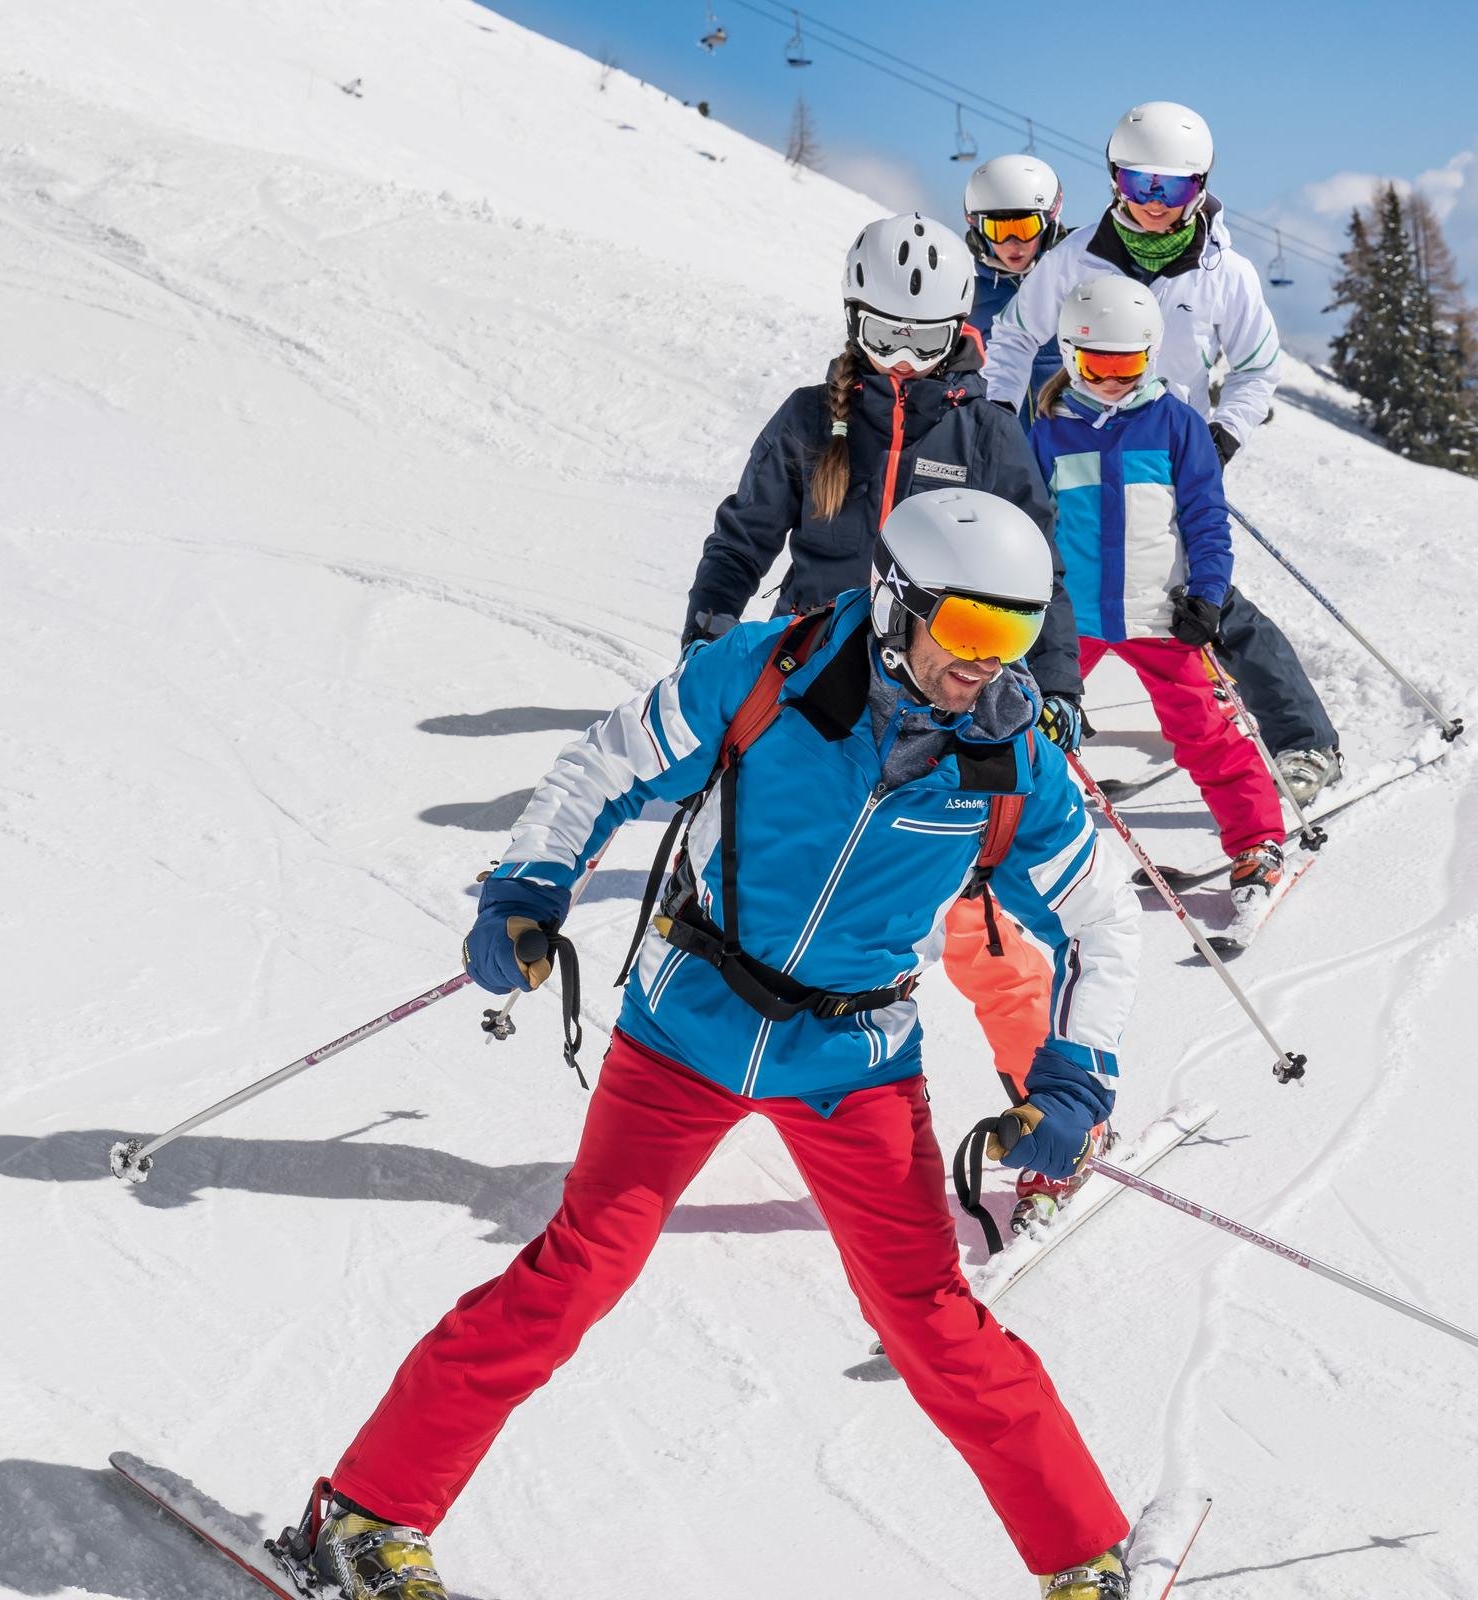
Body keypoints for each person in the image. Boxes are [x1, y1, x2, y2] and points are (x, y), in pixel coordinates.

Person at [294, 490, 1144, 1600]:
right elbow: (607, 762)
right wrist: (529, 883)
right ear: (895, 601)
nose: (990, 666)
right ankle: (363, 1515)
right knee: (576, 1272)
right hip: (684, 1025)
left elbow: (1103, 916)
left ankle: (1085, 1559)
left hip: (853, 1060)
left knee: (931, 1319)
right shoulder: (764, 673)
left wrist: (1075, 1073)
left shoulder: (1008, 764)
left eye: (1017, 638)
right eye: (971, 632)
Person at [680, 211, 1077, 1101]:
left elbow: (1041, 570)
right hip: (810, 686)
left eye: (925, 339)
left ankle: (1045, 1102)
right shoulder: (809, 422)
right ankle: (716, 1073)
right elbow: (744, 536)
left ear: (959, 329)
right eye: (885, 335)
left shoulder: (989, 439)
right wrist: (711, 624)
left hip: (947, 696)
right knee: (753, 884)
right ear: (854, 320)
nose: (903, 359)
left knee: (978, 920)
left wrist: (1053, 682)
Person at [983, 102, 1348, 804]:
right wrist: (1003, 421)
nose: (1153, 203)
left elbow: (1257, 367)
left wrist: (1222, 437)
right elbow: (1012, 340)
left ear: (1199, 187)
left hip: (1177, 454)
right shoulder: (1074, 259)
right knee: (1070, 598)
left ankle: (1304, 743)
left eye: (1172, 188)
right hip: (1083, 449)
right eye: (1139, 183)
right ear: (1115, 180)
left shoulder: (1225, 273)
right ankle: (1035, 732)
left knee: (1209, 603)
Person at [1030, 275, 1285, 913]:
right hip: (1071, 620)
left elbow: (1205, 518)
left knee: (1205, 729)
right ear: (1069, 354)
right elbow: (1030, 526)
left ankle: (1257, 841)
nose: (1112, 380)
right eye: (1097, 363)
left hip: (1160, 616)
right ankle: (994, 843)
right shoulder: (1046, 432)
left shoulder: (1177, 425)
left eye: (1127, 364)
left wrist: (1207, 593)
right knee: (1025, 727)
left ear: (1150, 355)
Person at [962, 153, 1068, 416]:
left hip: (1070, 443)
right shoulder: (967, 302)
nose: (1012, 243)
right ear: (978, 229)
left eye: (1025, 228)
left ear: (1048, 221)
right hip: (1000, 445)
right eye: (998, 230)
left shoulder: (1074, 282)